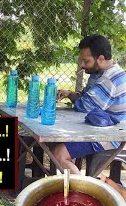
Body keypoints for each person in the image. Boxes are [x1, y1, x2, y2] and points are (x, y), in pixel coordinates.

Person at [52, 34, 126, 174]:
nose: (82, 65)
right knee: (53, 143)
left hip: (110, 137)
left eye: (86, 61)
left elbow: (85, 107)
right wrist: (70, 94)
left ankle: (84, 192)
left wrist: (77, 99)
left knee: (58, 154)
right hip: (96, 129)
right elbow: (85, 96)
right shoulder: (98, 74)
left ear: (101, 59)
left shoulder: (109, 79)